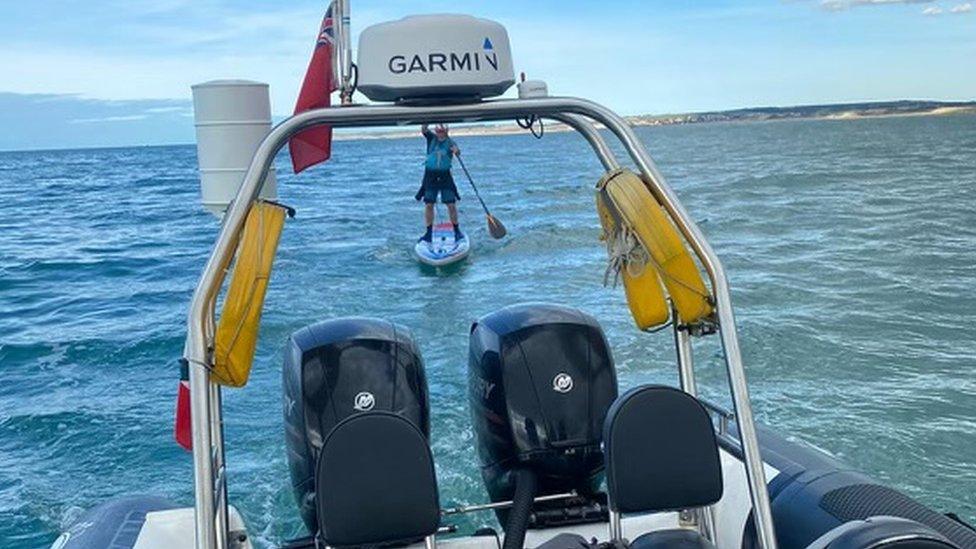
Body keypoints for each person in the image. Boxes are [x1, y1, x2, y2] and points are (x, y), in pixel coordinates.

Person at [416, 123, 463, 243]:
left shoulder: (451, 142)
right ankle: (428, 233)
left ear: (447, 130)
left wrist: (456, 151)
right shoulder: (431, 138)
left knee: (451, 204)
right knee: (429, 204)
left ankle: (457, 231)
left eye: (442, 129)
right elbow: (424, 129)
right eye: (438, 129)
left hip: (445, 176)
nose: (440, 131)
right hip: (430, 176)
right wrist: (427, 119)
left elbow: (457, 151)